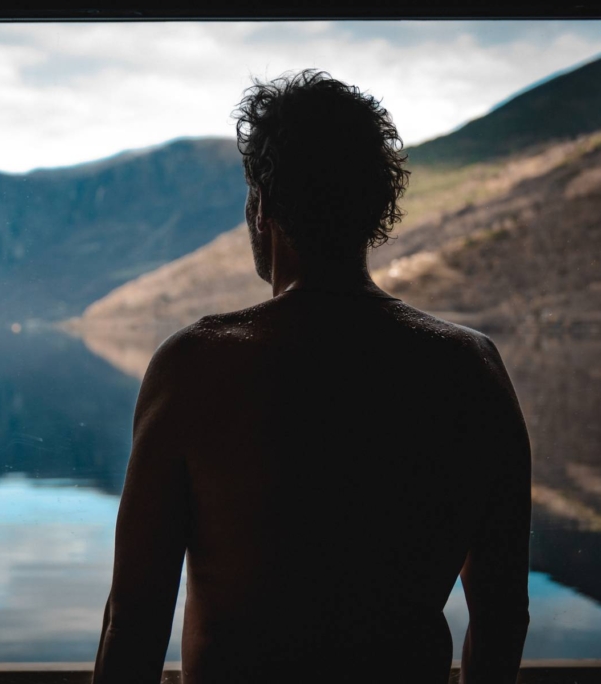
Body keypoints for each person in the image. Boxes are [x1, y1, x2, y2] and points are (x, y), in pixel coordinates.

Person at [92, 69, 531, 684]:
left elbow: (135, 618)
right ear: (378, 206)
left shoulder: (196, 366)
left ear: (262, 205)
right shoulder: (471, 368)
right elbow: (504, 612)